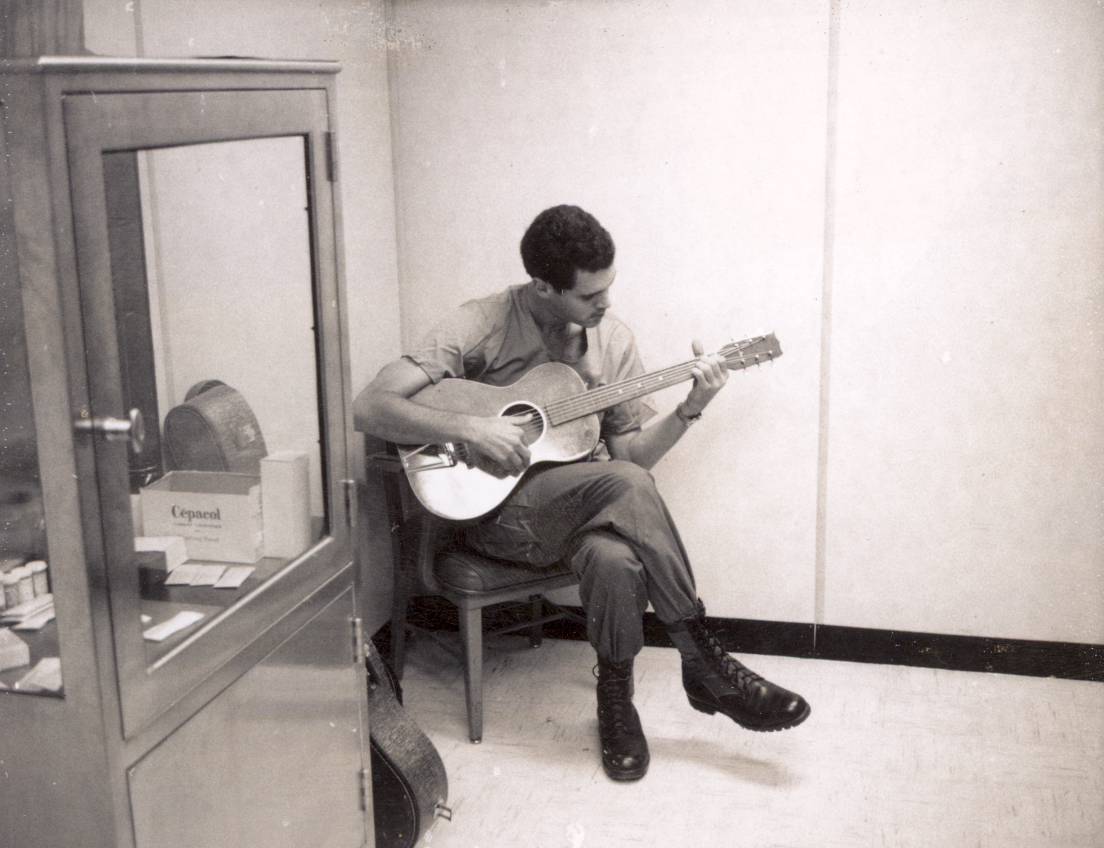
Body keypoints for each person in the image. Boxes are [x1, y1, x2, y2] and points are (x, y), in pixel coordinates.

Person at [357, 204, 810, 781]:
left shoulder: (612, 339)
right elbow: (370, 405)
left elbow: (629, 459)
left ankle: (616, 704)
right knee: (624, 488)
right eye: (589, 295)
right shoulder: (482, 321)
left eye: (609, 289)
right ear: (542, 287)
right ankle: (704, 664)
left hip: (584, 508)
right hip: (494, 516)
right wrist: (471, 428)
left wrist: (691, 407)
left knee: (614, 554)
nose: (605, 306)